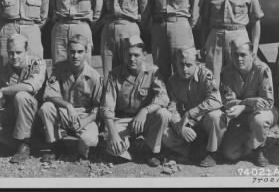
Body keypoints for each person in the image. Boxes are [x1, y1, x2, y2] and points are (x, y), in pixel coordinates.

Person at [100, 35, 170, 167]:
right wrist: (113, 134)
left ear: (144, 55)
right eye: (129, 55)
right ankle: (132, 150)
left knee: (163, 114)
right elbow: (107, 108)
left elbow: (163, 97)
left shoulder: (153, 72)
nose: (132, 59)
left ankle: (152, 152)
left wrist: (145, 110)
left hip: (146, 119)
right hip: (123, 120)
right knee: (112, 146)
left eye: (136, 55)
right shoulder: (114, 75)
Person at [0, 34, 46, 163]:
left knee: (21, 96)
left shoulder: (37, 63)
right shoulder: (5, 69)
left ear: (26, 51)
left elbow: (31, 86)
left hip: (36, 116)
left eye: (18, 52)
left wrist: (4, 90)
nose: (14, 57)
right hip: (14, 114)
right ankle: (21, 142)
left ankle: (24, 145)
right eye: (11, 53)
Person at [201, 0, 264, 86]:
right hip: (215, 39)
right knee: (212, 80)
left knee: (239, 78)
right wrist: (203, 44)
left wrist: (255, 47)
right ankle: (214, 104)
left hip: (239, 37)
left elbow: (256, 22)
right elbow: (205, 22)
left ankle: (236, 105)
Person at [39, 35, 103, 162]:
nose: (76, 56)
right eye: (72, 52)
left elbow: (99, 107)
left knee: (88, 140)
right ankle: (56, 146)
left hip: (85, 116)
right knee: (46, 108)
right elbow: (49, 94)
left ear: (86, 52)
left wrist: (86, 121)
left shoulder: (94, 77)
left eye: (80, 52)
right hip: (65, 112)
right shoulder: (59, 69)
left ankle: (84, 149)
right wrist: (68, 106)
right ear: (67, 52)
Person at [162, 47, 227, 167]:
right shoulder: (172, 81)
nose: (184, 69)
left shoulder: (205, 74)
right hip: (187, 125)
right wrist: (180, 127)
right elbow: (172, 108)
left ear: (196, 63)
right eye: (181, 64)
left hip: (204, 121)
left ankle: (213, 152)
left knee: (216, 116)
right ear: (175, 63)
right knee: (164, 135)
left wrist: (190, 113)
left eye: (188, 65)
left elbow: (216, 100)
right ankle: (194, 150)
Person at [220, 39, 277, 167]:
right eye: (235, 54)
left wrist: (242, 106)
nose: (239, 58)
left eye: (243, 55)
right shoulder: (226, 72)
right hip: (240, 116)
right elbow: (228, 102)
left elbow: (267, 102)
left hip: (262, 112)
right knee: (230, 154)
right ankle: (250, 141)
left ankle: (258, 150)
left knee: (260, 120)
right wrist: (249, 102)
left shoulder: (262, 70)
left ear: (252, 55)